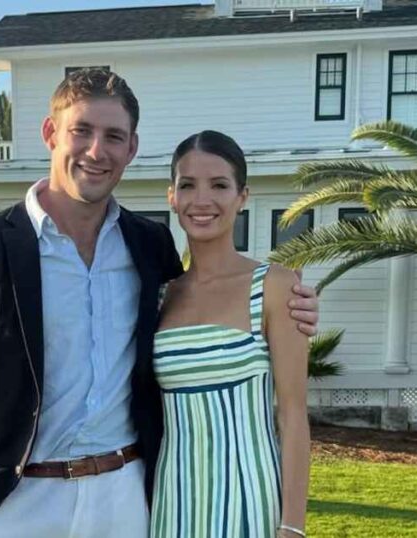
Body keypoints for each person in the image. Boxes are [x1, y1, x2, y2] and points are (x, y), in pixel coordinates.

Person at [0, 69, 319, 538]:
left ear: (131, 148)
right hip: (13, 501)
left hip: (123, 496)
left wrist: (292, 304)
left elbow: (209, 315)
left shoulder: (148, 246)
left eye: (113, 136)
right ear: (51, 133)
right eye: (81, 130)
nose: (97, 151)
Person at [151, 131, 310, 538]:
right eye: (188, 185)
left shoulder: (274, 286)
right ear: (172, 197)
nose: (202, 199)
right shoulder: (160, 296)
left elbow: (292, 415)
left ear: (242, 197)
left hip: (250, 502)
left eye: (219, 185)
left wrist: (292, 526)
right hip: (173, 502)